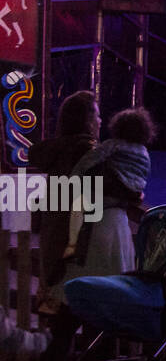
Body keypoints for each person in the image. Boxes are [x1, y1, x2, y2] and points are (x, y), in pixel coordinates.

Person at [39, 107, 152, 361]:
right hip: (109, 229)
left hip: (88, 229)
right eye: (97, 115)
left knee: (72, 307)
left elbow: (76, 183)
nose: (100, 120)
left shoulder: (84, 150)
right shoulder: (130, 153)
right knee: (104, 306)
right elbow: (125, 188)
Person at [29, 92, 99, 305]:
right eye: (97, 115)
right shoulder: (87, 153)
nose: (100, 120)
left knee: (57, 313)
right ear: (86, 121)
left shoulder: (57, 152)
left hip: (52, 236)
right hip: (75, 241)